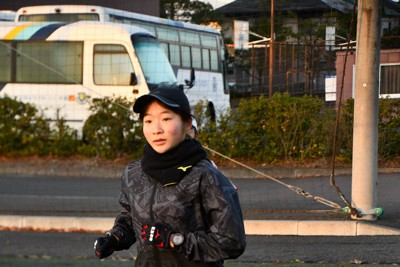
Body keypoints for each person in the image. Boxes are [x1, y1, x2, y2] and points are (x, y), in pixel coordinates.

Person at [94, 86, 246, 266]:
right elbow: (131, 217)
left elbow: (232, 241)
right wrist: (115, 238)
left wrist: (175, 240)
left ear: (187, 123)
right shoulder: (133, 173)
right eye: (148, 121)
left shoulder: (206, 175)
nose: (156, 129)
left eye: (166, 118)